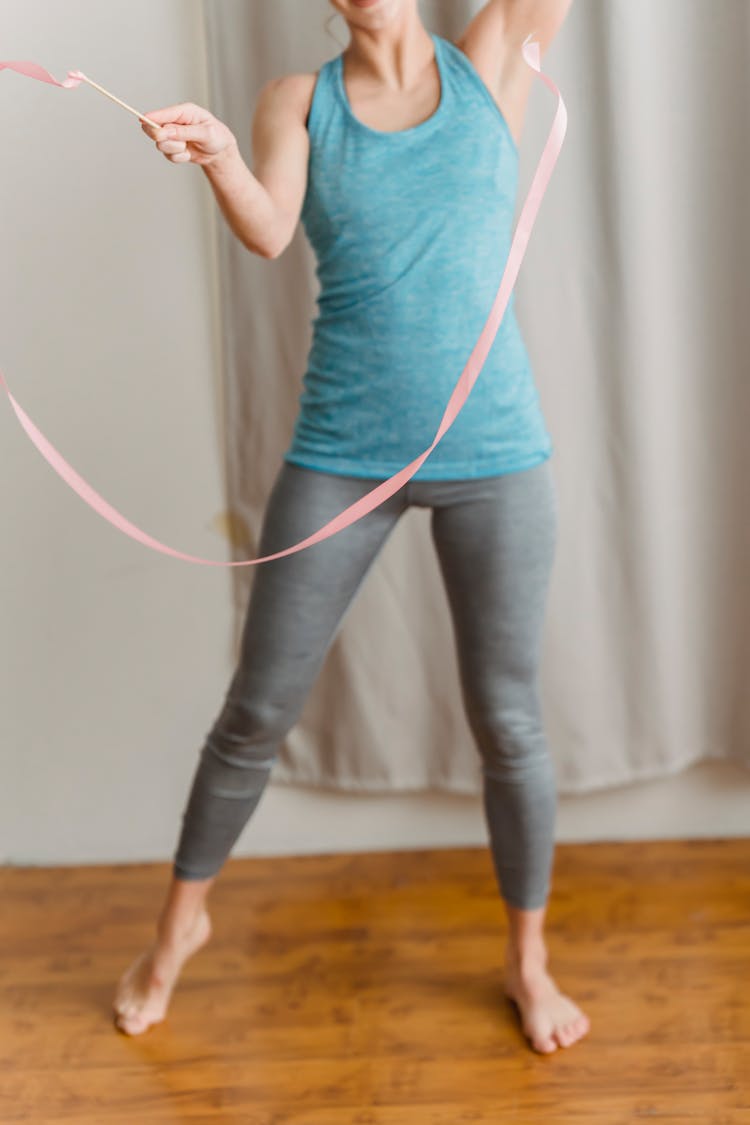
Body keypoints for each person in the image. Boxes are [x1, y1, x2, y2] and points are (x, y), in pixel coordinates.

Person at [113, 0, 587, 1054]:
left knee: (509, 722)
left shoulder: (494, 54)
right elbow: (271, 231)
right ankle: (177, 931)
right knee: (255, 712)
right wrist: (223, 156)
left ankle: (528, 959)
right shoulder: (296, 102)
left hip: (498, 455)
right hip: (342, 452)